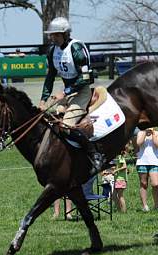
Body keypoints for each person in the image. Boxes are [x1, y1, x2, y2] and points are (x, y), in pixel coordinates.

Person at [38, 16, 103, 175]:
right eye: (52, 35)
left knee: (66, 125)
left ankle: (94, 154)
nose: (52, 37)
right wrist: (43, 99)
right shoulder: (52, 51)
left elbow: (87, 77)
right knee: (53, 122)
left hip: (82, 91)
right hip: (66, 91)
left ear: (64, 34)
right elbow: (50, 77)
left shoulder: (76, 48)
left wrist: (65, 92)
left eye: (55, 34)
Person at [135, 128, 158, 211]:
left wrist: (153, 133)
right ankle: (144, 206)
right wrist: (144, 133)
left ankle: (157, 205)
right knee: (143, 183)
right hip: (142, 161)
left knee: (155, 184)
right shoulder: (140, 133)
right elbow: (139, 143)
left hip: (154, 162)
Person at [112, 147, 128, 212]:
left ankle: (124, 211)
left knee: (120, 196)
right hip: (117, 179)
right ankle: (119, 210)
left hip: (120, 179)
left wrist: (116, 170)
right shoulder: (117, 158)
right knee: (114, 196)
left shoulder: (120, 157)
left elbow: (124, 166)